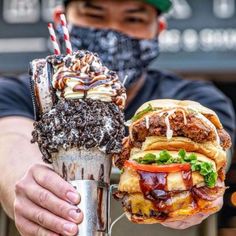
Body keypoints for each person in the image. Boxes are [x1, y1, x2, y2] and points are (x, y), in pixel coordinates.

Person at [0, 0, 235, 235]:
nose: (112, 31)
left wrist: (186, 185)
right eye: (95, 14)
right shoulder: (21, 93)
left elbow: (217, 150)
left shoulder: (196, 98)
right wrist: (30, 185)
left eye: (133, 19)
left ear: (159, 30)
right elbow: (11, 142)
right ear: (62, 21)